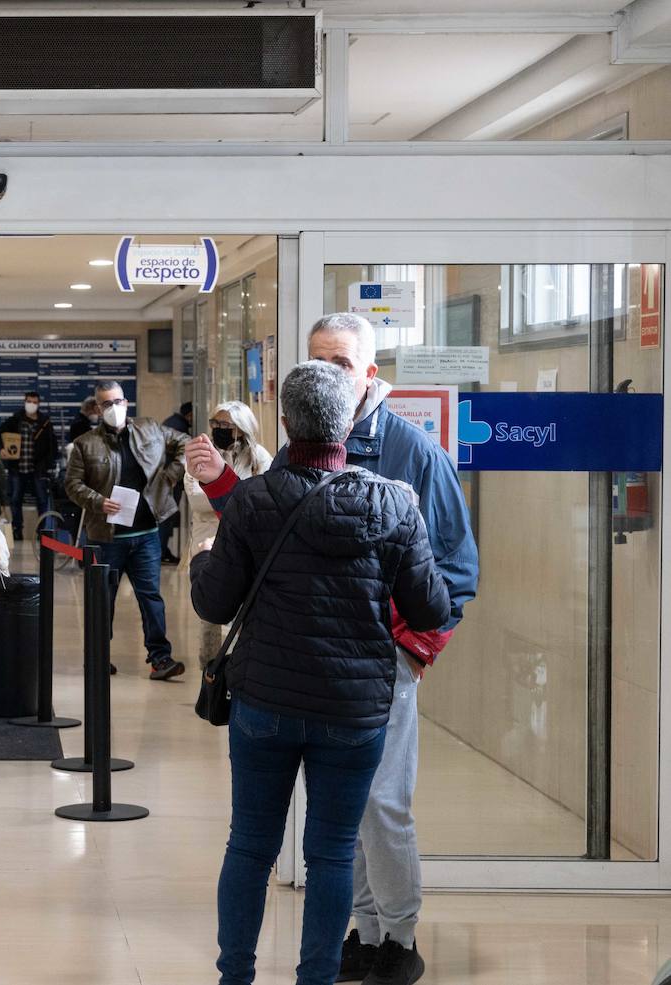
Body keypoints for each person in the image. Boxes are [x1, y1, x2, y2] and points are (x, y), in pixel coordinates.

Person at [188, 313, 479, 985]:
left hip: (373, 675)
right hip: (316, 686)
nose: (328, 371)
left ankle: (394, 936)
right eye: (318, 359)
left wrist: (406, 653)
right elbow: (276, 534)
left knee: (375, 812)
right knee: (332, 841)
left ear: (369, 375)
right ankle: (358, 934)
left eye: (341, 362)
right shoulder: (300, 472)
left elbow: (453, 578)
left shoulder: (413, 459)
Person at [64, 380, 190, 681]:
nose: (114, 409)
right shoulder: (86, 444)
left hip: (145, 534)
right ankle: (97, 658)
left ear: (126, 402)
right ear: (97, 408)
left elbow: (185, 443)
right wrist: (98, 502)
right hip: (106, 538)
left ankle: (161, 659)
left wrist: (171, 476)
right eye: (107, 404)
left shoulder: (150, 429)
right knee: (101, 600)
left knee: (151, 598)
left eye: (118, 402)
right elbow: (72, 484)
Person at [185, 401, 272, 669]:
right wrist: (240, 496)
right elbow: (197, 499)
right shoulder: (202, 451)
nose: (220, 430)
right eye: (216, 424)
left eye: (227, 425)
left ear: (242, 428)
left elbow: (265, 499)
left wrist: (221, 488)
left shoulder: (259, 456)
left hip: (243, 544)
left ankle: (236, 665)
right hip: (207, 541)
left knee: (242, 607)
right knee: (210, 609)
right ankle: (210, 666)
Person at [0, 391, 58, 544]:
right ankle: (17, 531)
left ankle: (43, 533)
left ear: (38, 404)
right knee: (15, 500)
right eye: (29, 401)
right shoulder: (16, 419)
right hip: (17, 468)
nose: (31, 404)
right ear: (24, 402)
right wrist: (1, 448)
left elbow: (52, 446)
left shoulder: (45, 422)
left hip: (37, 470)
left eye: (34, 402)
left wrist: (47, 463)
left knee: (42, 501)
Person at [158, 401, 195, 563]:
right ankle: (161, 552)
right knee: (166, 517)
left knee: (166, 517)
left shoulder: (173, 423)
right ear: (190, 415)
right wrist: (173, 474)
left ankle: (162, 551)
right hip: (169, 481)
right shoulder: (178, 426)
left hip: (167, 478)